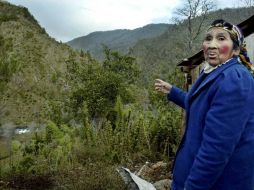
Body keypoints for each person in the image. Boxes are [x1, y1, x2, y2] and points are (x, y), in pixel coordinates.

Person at [155, 19, 254, 190]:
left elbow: (216, 150)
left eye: (221, 38)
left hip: (219, 183)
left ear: (236, 49)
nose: (212, 45)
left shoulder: (234, 79)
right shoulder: (212, 72)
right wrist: (173, 92)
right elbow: (201, 106)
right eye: (208, 38)